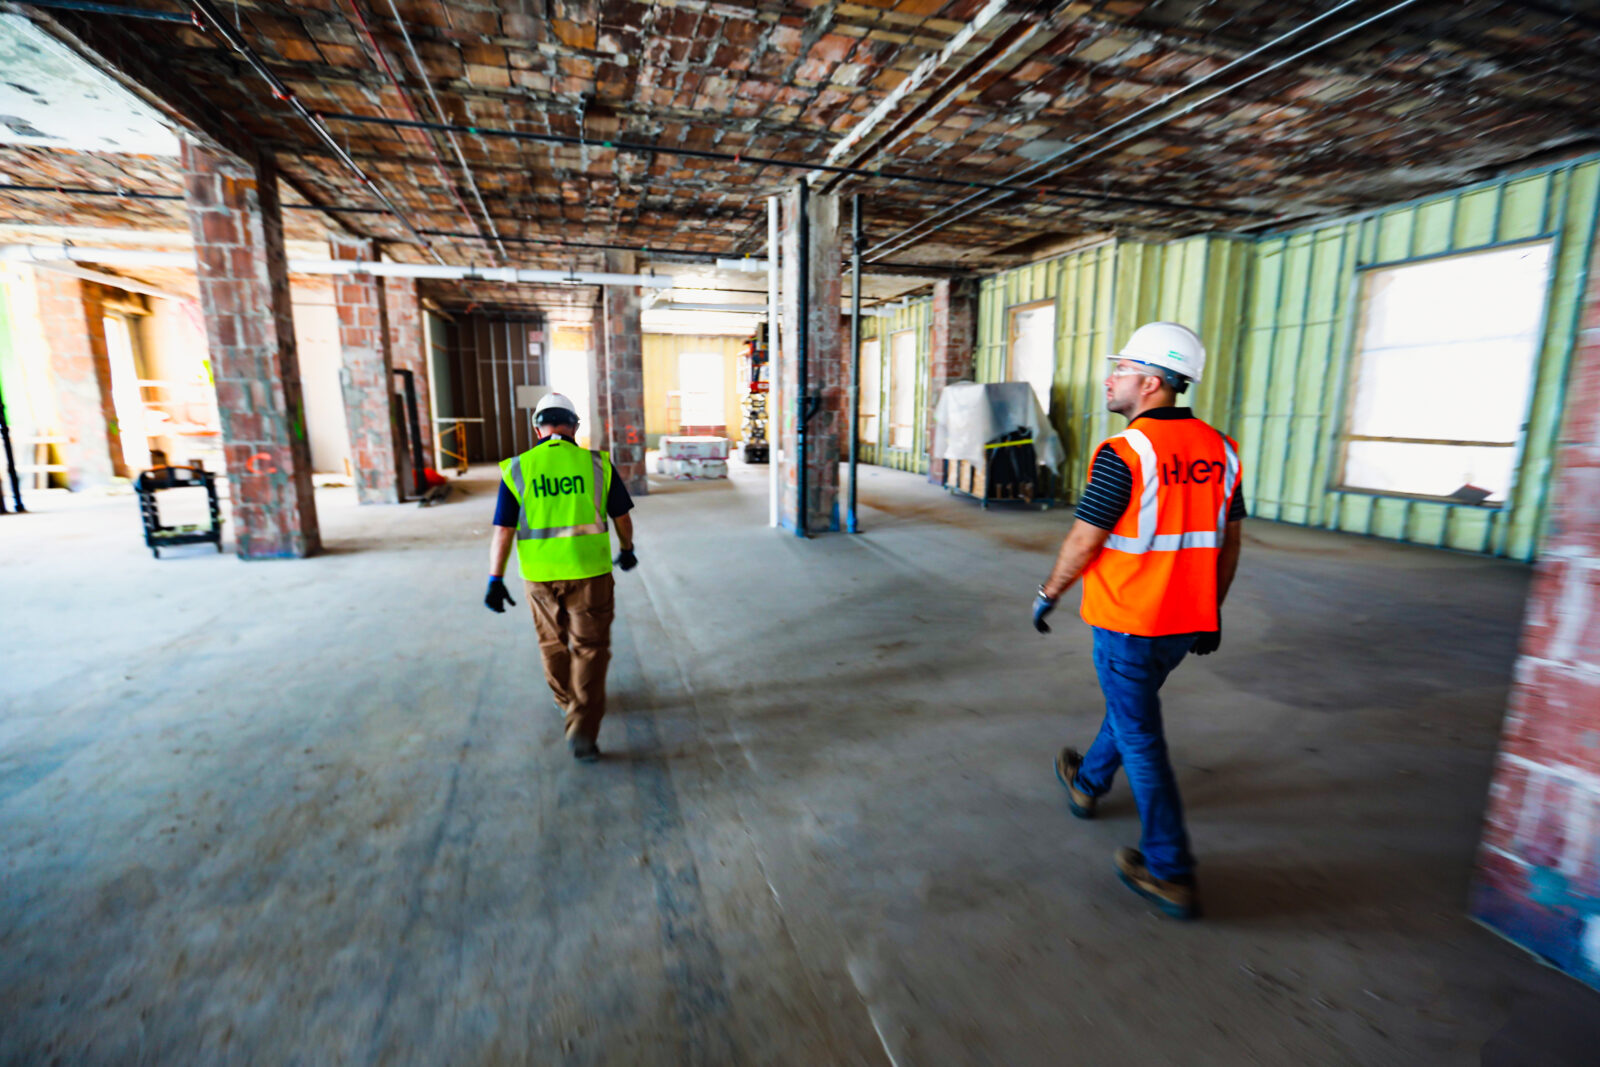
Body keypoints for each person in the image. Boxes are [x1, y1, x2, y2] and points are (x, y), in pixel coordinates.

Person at [1030, 322, 1244, 920]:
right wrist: (1212, 611)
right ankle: (1088, 782)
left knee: (1142, 737)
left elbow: (1083, 540)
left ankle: (1169, 870)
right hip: (1183, 625)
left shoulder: (1125, 454)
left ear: (1151, 383)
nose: (1109, 378)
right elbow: (1228, 544)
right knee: (1132, 708)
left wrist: (1048, 591)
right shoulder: (1222, 450)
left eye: (1120, 369)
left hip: (1129, 621)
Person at [484, 392, 638, 762]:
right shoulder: (597, 464)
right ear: (574, 427)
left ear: (537, 429)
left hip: (540, 576)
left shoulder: (518, 468)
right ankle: (582, 727)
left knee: (553, 644)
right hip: (590, 573)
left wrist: (495, 578)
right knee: (590, 648)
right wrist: (627, 548)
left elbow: (503, 530)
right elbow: (622, 517)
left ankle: (566, 701)